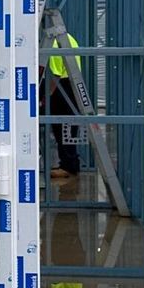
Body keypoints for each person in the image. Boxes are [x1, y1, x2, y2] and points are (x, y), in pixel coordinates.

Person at [44, 20, 84, 181]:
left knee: (61, 128)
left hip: (63, 88)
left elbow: (56, 75)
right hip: (74, 84)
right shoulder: (70, 38)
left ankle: (67, 166)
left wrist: (46, 97)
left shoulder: (54, 44)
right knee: (69, 127)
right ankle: (70, 163)